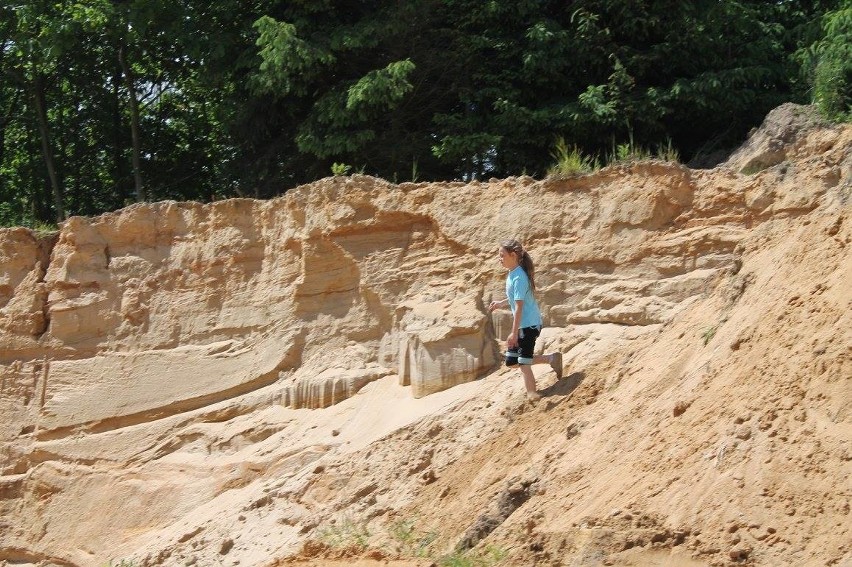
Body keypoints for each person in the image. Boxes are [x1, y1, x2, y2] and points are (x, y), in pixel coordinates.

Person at [488, 239, 563, 401]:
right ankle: (551, 358)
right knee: (512, 362)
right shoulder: (512, 274)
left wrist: (514, 333)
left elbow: (520, 307)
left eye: (502, 255)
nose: (499, 259)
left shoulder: (519, 277)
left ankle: (532, 394)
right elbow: (515, 298)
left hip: (529, 325)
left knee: (523, 362)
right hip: (523, 325)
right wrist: (501, 303)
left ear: (513, 255)